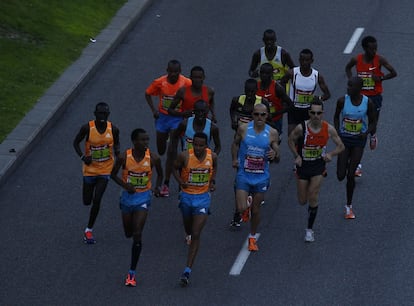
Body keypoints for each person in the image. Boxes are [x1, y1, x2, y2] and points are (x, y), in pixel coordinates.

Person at [110, 128, 162, 287]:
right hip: (127, 198)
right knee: (128, 233)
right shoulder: (123, 157)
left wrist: (157, 188)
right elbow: (112, 175)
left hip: (143, 197)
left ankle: (131, 273)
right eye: (142, 140)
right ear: (134, 141)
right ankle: (132, 233)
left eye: (147, 140)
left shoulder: (153, 158)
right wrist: (125, 185)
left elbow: (160, 174)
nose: (146, 142)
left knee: (137, 233)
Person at [288, 99, 344, 242]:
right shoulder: (302, 128)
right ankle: (309, 205)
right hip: (303, 166)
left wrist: (330, 154)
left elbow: (340, 146)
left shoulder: (328, 129)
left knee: (313, 195)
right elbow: (290, 140)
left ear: (322, 113)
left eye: (318, 113)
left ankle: (309, 229)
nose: (316, 116)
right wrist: (297, 156)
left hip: (318, 166)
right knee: (302, 200)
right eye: (313, 113)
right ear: (309, 113)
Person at [345, 35, 397, 176]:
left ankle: (373, 135)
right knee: (358, 126)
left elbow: (394, 73)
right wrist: (352, 81)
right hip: (360, 97)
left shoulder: (379, 59)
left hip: (375, 96)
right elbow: (347, 68)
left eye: (376, 48)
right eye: (371, 48)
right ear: (364, 48)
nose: (374, 51)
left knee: (373, 121)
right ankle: (356, 165)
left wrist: (381, 78)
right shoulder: (357, 59)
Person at [231, 104, 280, 251]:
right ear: (252, 115)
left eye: (263, 115)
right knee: (241, 208)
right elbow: (235, 144)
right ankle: (246, 205)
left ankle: (252, 237)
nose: (259, 117)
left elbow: (277, 154)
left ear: (267, 116)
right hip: (244, 174)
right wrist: (234, 158)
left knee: (256, 210)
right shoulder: (244, 128)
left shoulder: (272, 133)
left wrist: (274, 154)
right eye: (257, 114)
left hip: (261, 176)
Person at [172, 132, 217, 286]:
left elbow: (214, 167)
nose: (198, 148)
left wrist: (212, 182)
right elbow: (174, 167)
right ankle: (188, 234)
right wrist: (180, 181)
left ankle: (187, 271)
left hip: (203, 198)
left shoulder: (213, 157)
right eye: (195, 144)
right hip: (186, 196)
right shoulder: (184, 156)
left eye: (201, 145)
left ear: (206, 145)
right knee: (189, 228)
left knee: (196, 233)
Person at [73, 102, 120, 244]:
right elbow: (75, 143)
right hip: (89, 170)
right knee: (87, 201)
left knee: (97, 199)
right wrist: (83, 157)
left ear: (108, 115)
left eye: (105, 114)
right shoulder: (87, 128)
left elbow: (117, 143)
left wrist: (118, 155)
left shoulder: (114, 129)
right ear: (95, 114)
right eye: (100, 113)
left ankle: (89, 230)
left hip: (105, 169)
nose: (102, 116)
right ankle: (88, 195)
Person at [145, 59, 192, 197]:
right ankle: (167, 139)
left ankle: (166, 182)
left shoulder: (186, 83)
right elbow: (147, 94)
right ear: (167, 71)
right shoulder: (159, 82)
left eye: (176, 72)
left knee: (172, 150)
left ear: (180, 71)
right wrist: (153, 110)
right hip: (163, 118)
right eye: (170, 71)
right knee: (161, 149)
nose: (173, 74)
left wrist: (186, 112)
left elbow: (191, 97)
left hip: (177, 119)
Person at [334, 77, 376, 219]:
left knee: (350, 175)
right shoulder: (342, 101)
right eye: (348, 85)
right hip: (345, 139)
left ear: (359, 88)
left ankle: (349, 206)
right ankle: (348, 160)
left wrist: (366, 132)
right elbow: (335, 117)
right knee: (340, 175)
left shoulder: (367, 103)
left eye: (351, 86)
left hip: (358, 141)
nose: (348, 88)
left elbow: (373, 122)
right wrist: (338, 133)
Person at [229, 79, 269, 228]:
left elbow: (267, 119)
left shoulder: (262, 102)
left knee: (259, 171)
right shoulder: (237, 100)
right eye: (248, 92)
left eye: (253, 92)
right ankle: (238, 212)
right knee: (239, 176)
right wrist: (233, 121)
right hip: (242, 142)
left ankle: (256, 191)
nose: (250, 95)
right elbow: (232, 109)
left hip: (259, 144)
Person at [281, 48, 331, 138]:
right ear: (299, 60)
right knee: (292, 137)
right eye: (302, 60)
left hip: (308, 111)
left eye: (307, 60)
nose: (304, 63)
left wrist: (318, 99)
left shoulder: (316, 76)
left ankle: (302, 151)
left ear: (312, 61)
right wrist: (285, 100)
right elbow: (282, 82)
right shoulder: (292, 73)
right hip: (294, 109)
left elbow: (327, 94)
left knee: (305, 137)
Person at [256, 63, 293, 137]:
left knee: (274, 142)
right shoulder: (256, 86)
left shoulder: (277, 88)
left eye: (267, 73)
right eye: (262, 73)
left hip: (275, 120)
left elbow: (290, 105)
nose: (264, 75)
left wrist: (276, 114)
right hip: (259, 120)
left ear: (271, 74)